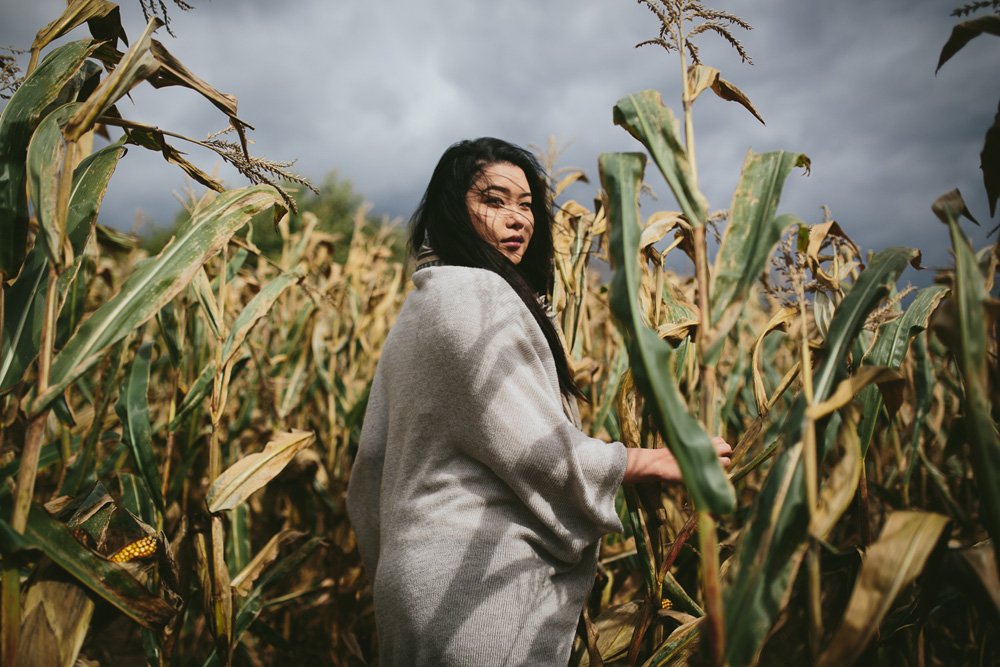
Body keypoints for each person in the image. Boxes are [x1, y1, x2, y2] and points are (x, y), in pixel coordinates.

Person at [346, 137, 732, 666]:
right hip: (476, 586)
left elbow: (369, 469)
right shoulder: (478, 295)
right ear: (451, 210)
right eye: (494, 200)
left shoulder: (420, 305)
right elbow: (535, 447)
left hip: (415, 583)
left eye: (526, 205)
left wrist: (395, 562)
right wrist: (644, 459)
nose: (518, 219)